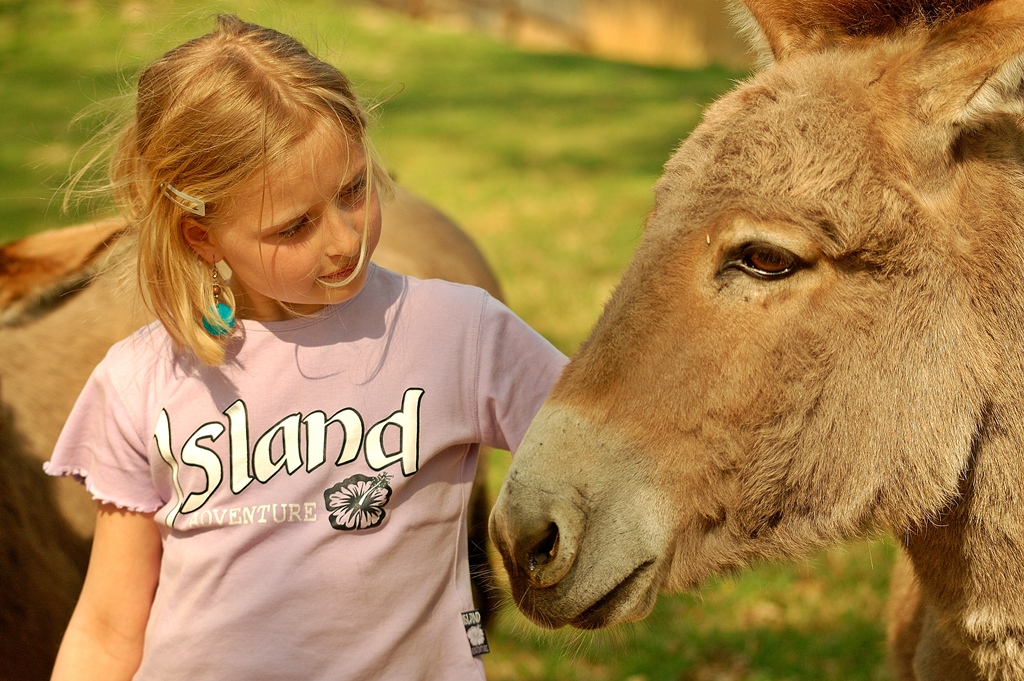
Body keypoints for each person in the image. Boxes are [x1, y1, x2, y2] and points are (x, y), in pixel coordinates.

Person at [45, 14, 566, 681]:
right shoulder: (140, 378)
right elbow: (109, 625)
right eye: (294, 226)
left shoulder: (459, 334)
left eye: (353, 190)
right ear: (201, 237)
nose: (344, 239)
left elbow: (613, 445)